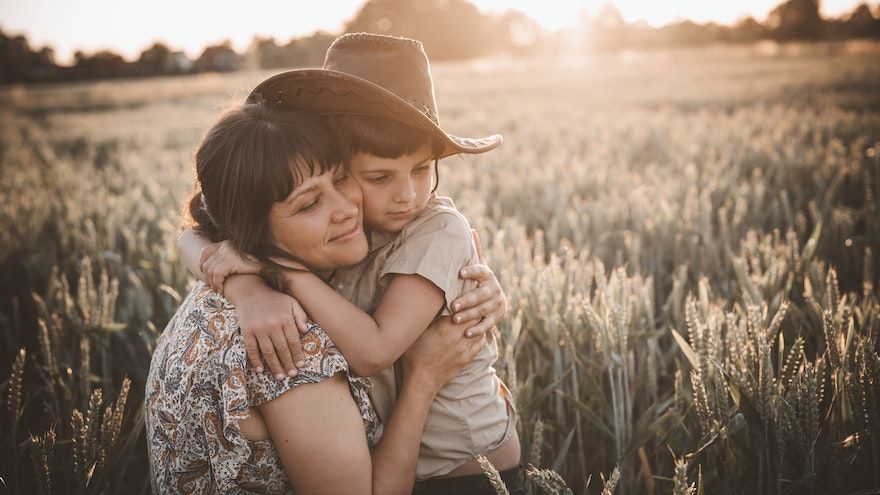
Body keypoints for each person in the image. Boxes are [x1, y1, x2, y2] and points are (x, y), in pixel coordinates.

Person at [183, 33, 527, 494]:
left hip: (467, 469)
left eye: (423, 169)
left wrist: (281, 272)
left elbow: (373, 352)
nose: (407, 194)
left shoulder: (435, 230)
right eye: (378, 177)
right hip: (402, 460)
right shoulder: (347, 224)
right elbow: (194, 233)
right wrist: (248, 287)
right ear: (334, 163)